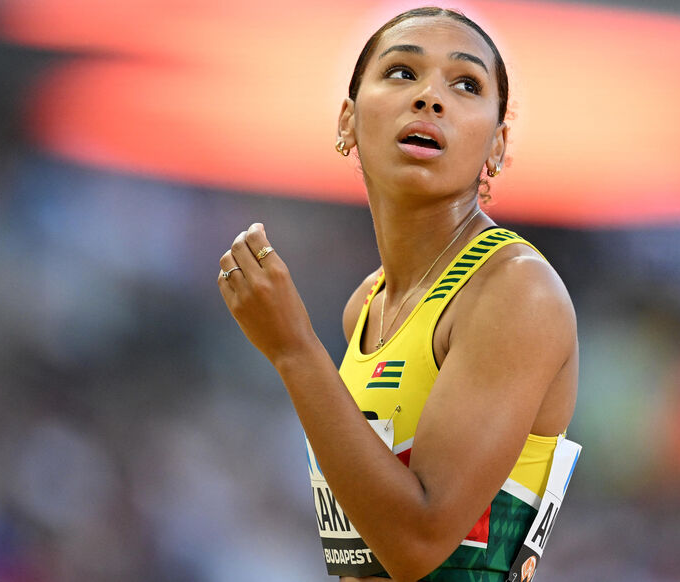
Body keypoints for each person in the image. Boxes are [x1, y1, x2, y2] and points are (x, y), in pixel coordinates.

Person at [217, 7, 578, 581]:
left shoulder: (515, 289)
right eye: (403, 72)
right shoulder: (366, 306)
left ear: (498, 145)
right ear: (347, 121)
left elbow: (417, 542)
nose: (431, 97)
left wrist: (293, 350)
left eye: (466, 84)